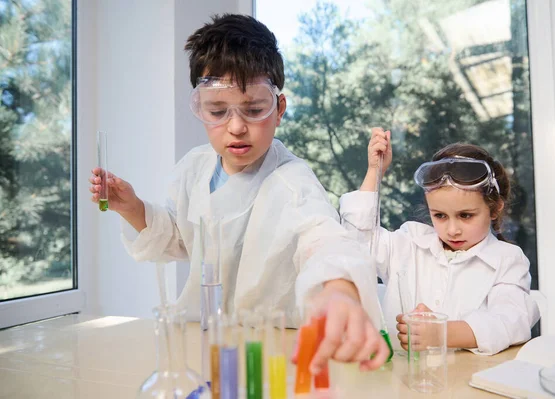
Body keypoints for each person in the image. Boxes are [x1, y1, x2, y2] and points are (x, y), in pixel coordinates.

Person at [88, 14, 388, 373]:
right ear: (200, 109)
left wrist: (339, 291)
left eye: (254, 109)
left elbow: (322, 240)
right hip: (207, 341)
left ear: (279, 109)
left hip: (273, 348)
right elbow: (180, 238)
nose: (236, 126)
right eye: (217, 110)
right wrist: (132, 207)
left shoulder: (292, 180)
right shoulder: (195, 167)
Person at [339, 127, 540, 355]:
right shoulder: (409, 243)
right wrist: (375, 171)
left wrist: (441, 333)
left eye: (465, 215)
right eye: (440, 216)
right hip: (398, 383)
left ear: (494, 209)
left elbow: (510, 321)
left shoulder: (507, 260)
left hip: (464, 386)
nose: (452, 230)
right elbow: (356, 244)